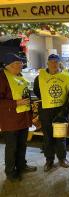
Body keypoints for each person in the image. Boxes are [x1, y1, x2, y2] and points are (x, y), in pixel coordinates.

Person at [0, 53, 37, 182]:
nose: (21, 66)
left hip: (24, 117)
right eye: (18, 64)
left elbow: (25, 94)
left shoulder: (19, 76)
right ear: (8, 65)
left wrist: (31, 111)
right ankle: (10, 172)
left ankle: (21, 166)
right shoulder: (2, 78)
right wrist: (16, 103)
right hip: (10, 120)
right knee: (12, 147)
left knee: (22, 144)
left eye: (21, 63)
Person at [33, 54, 69, 172]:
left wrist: (64, 109)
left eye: (56, 62)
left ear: (59, 63)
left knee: (60, 136)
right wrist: (48, 99)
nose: (53, 64)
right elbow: (37, 91)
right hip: (46, 110)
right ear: (47, 63)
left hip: (61, 110)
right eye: (51, 62)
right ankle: (49, 160)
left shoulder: (66, 76)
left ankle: (62, 158)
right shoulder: (40, 77)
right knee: (48, 137)